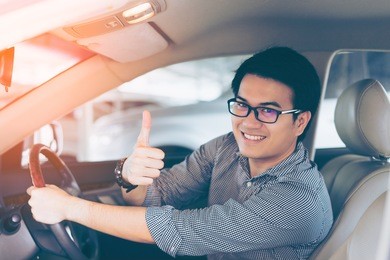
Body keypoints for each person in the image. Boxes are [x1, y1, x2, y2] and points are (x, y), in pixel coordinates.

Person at [28, 46, 333, 259]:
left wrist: (69, 208)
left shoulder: (298, 200)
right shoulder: (227, 147)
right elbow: (157, 198)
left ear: (300, 121)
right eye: (242, 105)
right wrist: (133, 177)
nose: (248, 122)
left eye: (267, 111)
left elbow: (182, 231)